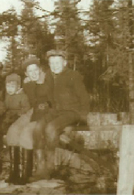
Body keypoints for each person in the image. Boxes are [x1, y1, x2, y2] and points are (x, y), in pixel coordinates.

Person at [30, 50, 90, 181]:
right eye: (51, 63)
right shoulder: (49, 77)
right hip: (55, 111)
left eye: (57, 63)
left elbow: (84, 97)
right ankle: (41, 168)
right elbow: (43, 94)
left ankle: (50, 167)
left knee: (50, 128)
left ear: (64, 63)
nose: (54, 66)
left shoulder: (73, 75)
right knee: (37, 128)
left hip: (71, 111)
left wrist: (83, 117)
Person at [6, 56, 53, 184]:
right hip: (31, 111)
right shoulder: (27, 83)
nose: (34, 73)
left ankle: (25, 173)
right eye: (30, 71)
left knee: (26, 133)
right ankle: (14, 171)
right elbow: (20, 92)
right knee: (13, 131)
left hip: (45, 113)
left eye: (35, 70)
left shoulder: (48, 80)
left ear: (40, 69)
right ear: (26, 73)